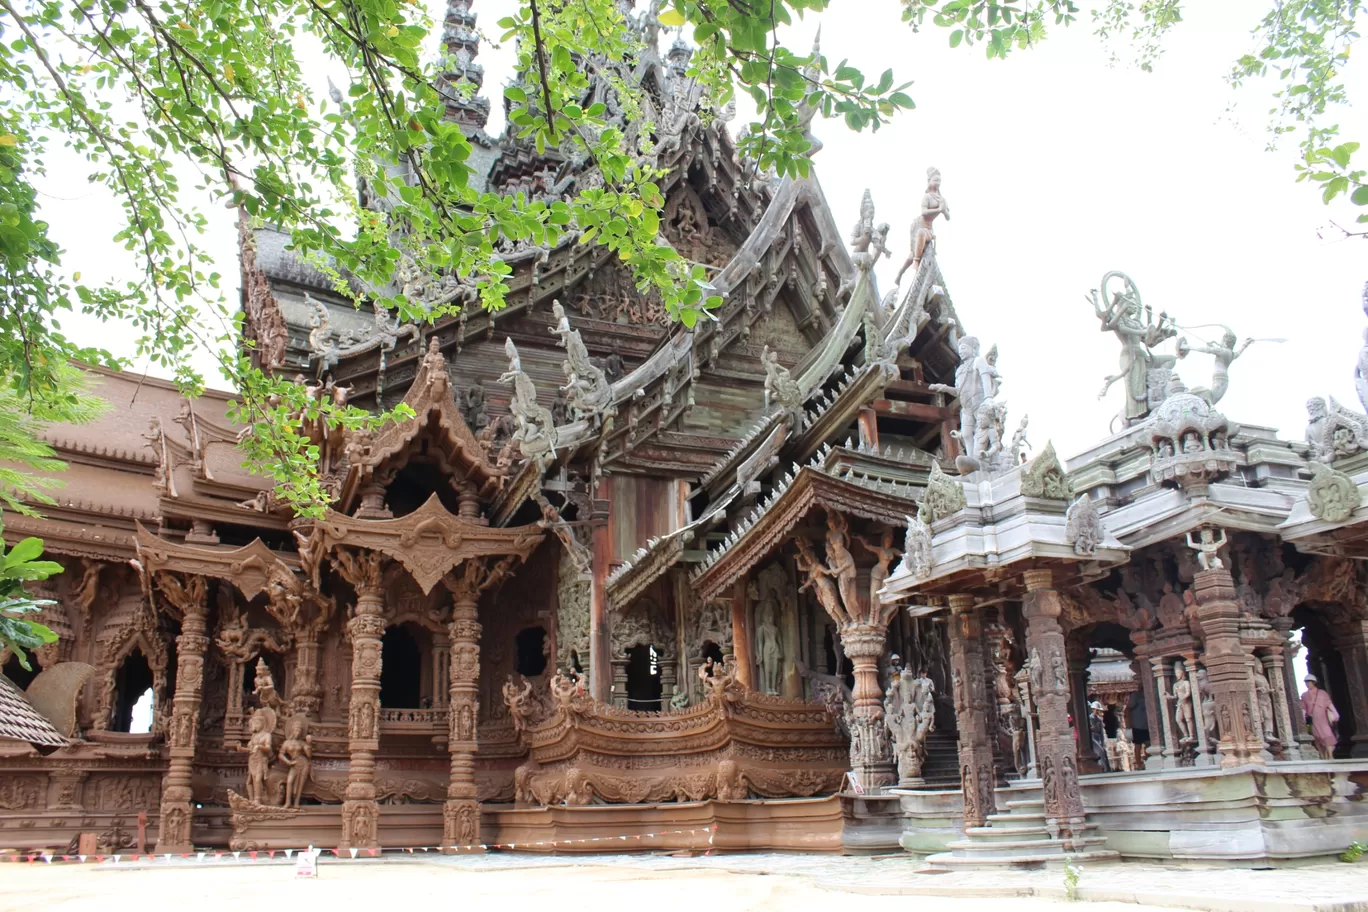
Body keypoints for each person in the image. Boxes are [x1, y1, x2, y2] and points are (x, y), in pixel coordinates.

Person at [1301, 675, 1340, 760]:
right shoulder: (1304, 695)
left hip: (1323, 718)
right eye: (1306, 682)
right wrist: (1303, 718)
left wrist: (1335, 713)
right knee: (1315, 736)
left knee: (1327, 735)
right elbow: (1303, 708)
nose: (1307, 684)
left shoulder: (1322, 693)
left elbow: (1329, 704)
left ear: (1314, 682)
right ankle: (1322, 755)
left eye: (1309, 682)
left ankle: (1330, 755)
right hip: (1312, 719)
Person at [1126, 688, 1149, 769]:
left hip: (1148, 724)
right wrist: (1128, 723)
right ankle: (1138, 763)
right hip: (1137, 724)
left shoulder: (1149, 694)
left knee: (1148, 743)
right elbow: (1128, 709)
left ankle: (1149, 759)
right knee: (1138, 744)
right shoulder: (1135, 696)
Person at [1089, 701, 1111, 772]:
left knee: (1102, 753)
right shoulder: (1090, 718)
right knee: (1098, 753)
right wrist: (1094, 728)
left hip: (1098, 738)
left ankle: (1105, 768)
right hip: (1093, 738)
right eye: (1096, 710)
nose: (1098, 712)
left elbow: (1101, 731)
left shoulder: (1099, 719)